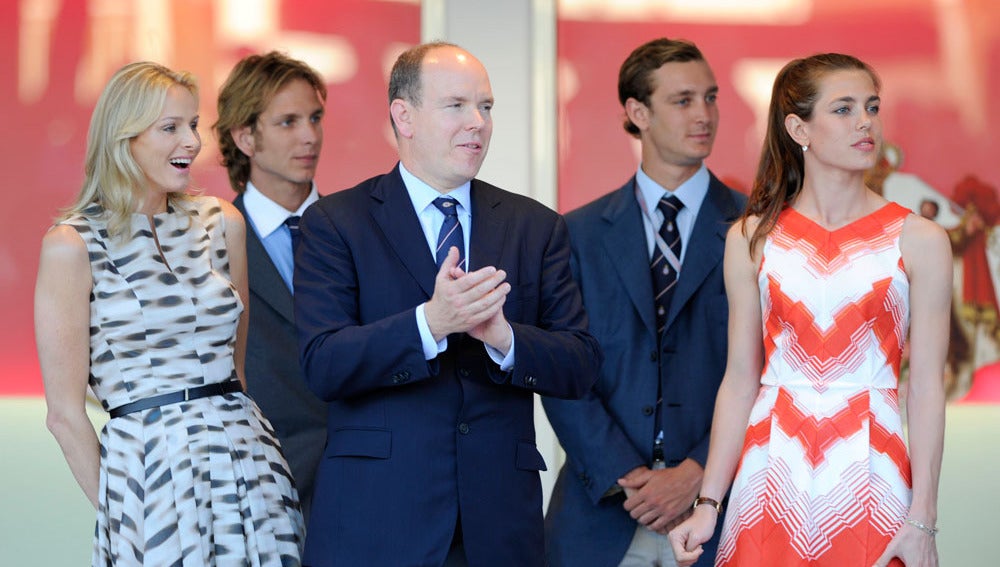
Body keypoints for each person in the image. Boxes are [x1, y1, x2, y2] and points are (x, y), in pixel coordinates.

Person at [293, 41, 603, 567]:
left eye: (485, 107)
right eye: (456, 106)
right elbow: (323, 364)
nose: (477, 123)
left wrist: (504, 339)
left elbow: (580, 364)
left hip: (497, 524)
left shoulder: (534, 226)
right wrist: (430, 323)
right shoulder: (336, 223)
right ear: (404, 116)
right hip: (377, 521)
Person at [668, 53, 948, 567]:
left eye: (871, 106)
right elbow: (739, 379)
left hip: (874, 470)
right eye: (843, 109)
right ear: (799, 127)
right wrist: (709, 503)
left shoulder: (921, 239)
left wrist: (923, 519)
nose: (865, 122)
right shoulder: (751, 237)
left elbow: (928, 387)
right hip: (769, 471)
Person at [34, 61, 304, 565]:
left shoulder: (222, 223)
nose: (192, 142)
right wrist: (122, 510)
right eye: (170, 128)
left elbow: (236, 374)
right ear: (124, 138)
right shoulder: (72, 245)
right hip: (146, 479)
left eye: (193, 126)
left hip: (248, 467)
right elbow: (65, 415)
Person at [543, 37, 746, 567]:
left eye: (711, 97)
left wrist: (699, 473)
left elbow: (773, 369)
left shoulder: (758, 230)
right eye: (683, 100)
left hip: (723, 518)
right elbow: (563, 373)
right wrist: (628, 478)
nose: (704, 115)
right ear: (638, 112)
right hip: (603, 516)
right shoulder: (577, 234)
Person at [214, 50, 328, 522]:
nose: (310, 136)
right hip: (258, 496)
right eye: (288, 122)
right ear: (245, 137)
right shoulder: (210, 245)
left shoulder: (366, 230)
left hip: (370, 495)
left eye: (316, 117)